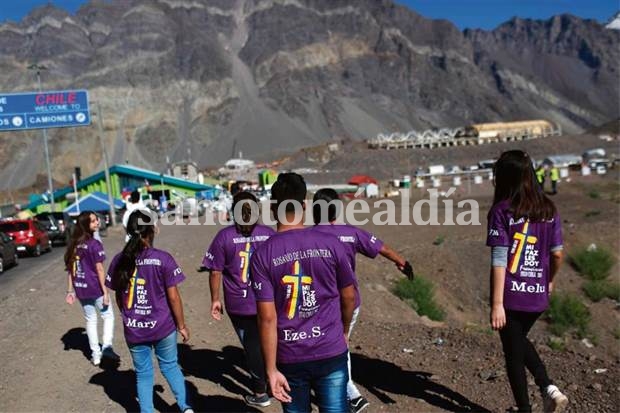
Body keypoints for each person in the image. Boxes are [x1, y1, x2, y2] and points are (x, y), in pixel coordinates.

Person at [251, 173, 356, 413]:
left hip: (290, 356)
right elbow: (348, 297)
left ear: (274, 206)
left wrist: (270, 369)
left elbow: (267, 318)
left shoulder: (263, 255)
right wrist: (344, 330)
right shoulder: (332, 244)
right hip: (330, 347)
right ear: (305, 205)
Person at [312, 188, 414, 413]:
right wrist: (402, 262)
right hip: (350, 302)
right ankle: (342, 389)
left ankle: (350, 393)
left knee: (335, 345)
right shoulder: (351, 233)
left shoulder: (309, 236)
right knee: (339, 343)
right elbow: (382, 248)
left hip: (324, 303)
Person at [487, 150, 568, 413]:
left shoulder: (501, 211)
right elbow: (557, 254)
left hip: (512, 295)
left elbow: (499, 258)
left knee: (513, 353)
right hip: (538, 294)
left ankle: (530, 405)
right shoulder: (548, 208)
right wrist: (550, 281)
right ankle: (549, 389)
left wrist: (497, 303)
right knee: (518, 340)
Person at [106, 210, 193, 413]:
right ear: (152, 230)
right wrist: (182, 325)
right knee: (170, 367)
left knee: (143, 374)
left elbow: (119, 296)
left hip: (135, 330)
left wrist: (128, 315)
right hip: (163, 327)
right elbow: (174, 297)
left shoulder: (119, 260)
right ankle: (186, 408)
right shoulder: (163, 259)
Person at [203, 191, 275, 408]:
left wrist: (215, 299)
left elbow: (215, 271)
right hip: (268, 299)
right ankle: (277, 381)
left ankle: (261, 392)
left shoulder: (224, 237)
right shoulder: (269, 234)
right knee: (272, 342)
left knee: (252, 347)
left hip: (239, 303)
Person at [64, 211, 119, 366]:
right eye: (93, 221)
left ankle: (96, 355)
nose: (97, 223)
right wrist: (106, 291)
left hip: (81, 289)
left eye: (97, 220)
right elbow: (100, 270)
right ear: (85, 225)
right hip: (95, 288)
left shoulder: (74, 245)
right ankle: (107, 346)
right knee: (108, 316)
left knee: (90, 319)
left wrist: (70, 291)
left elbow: (71, 270)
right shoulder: (94, 244)